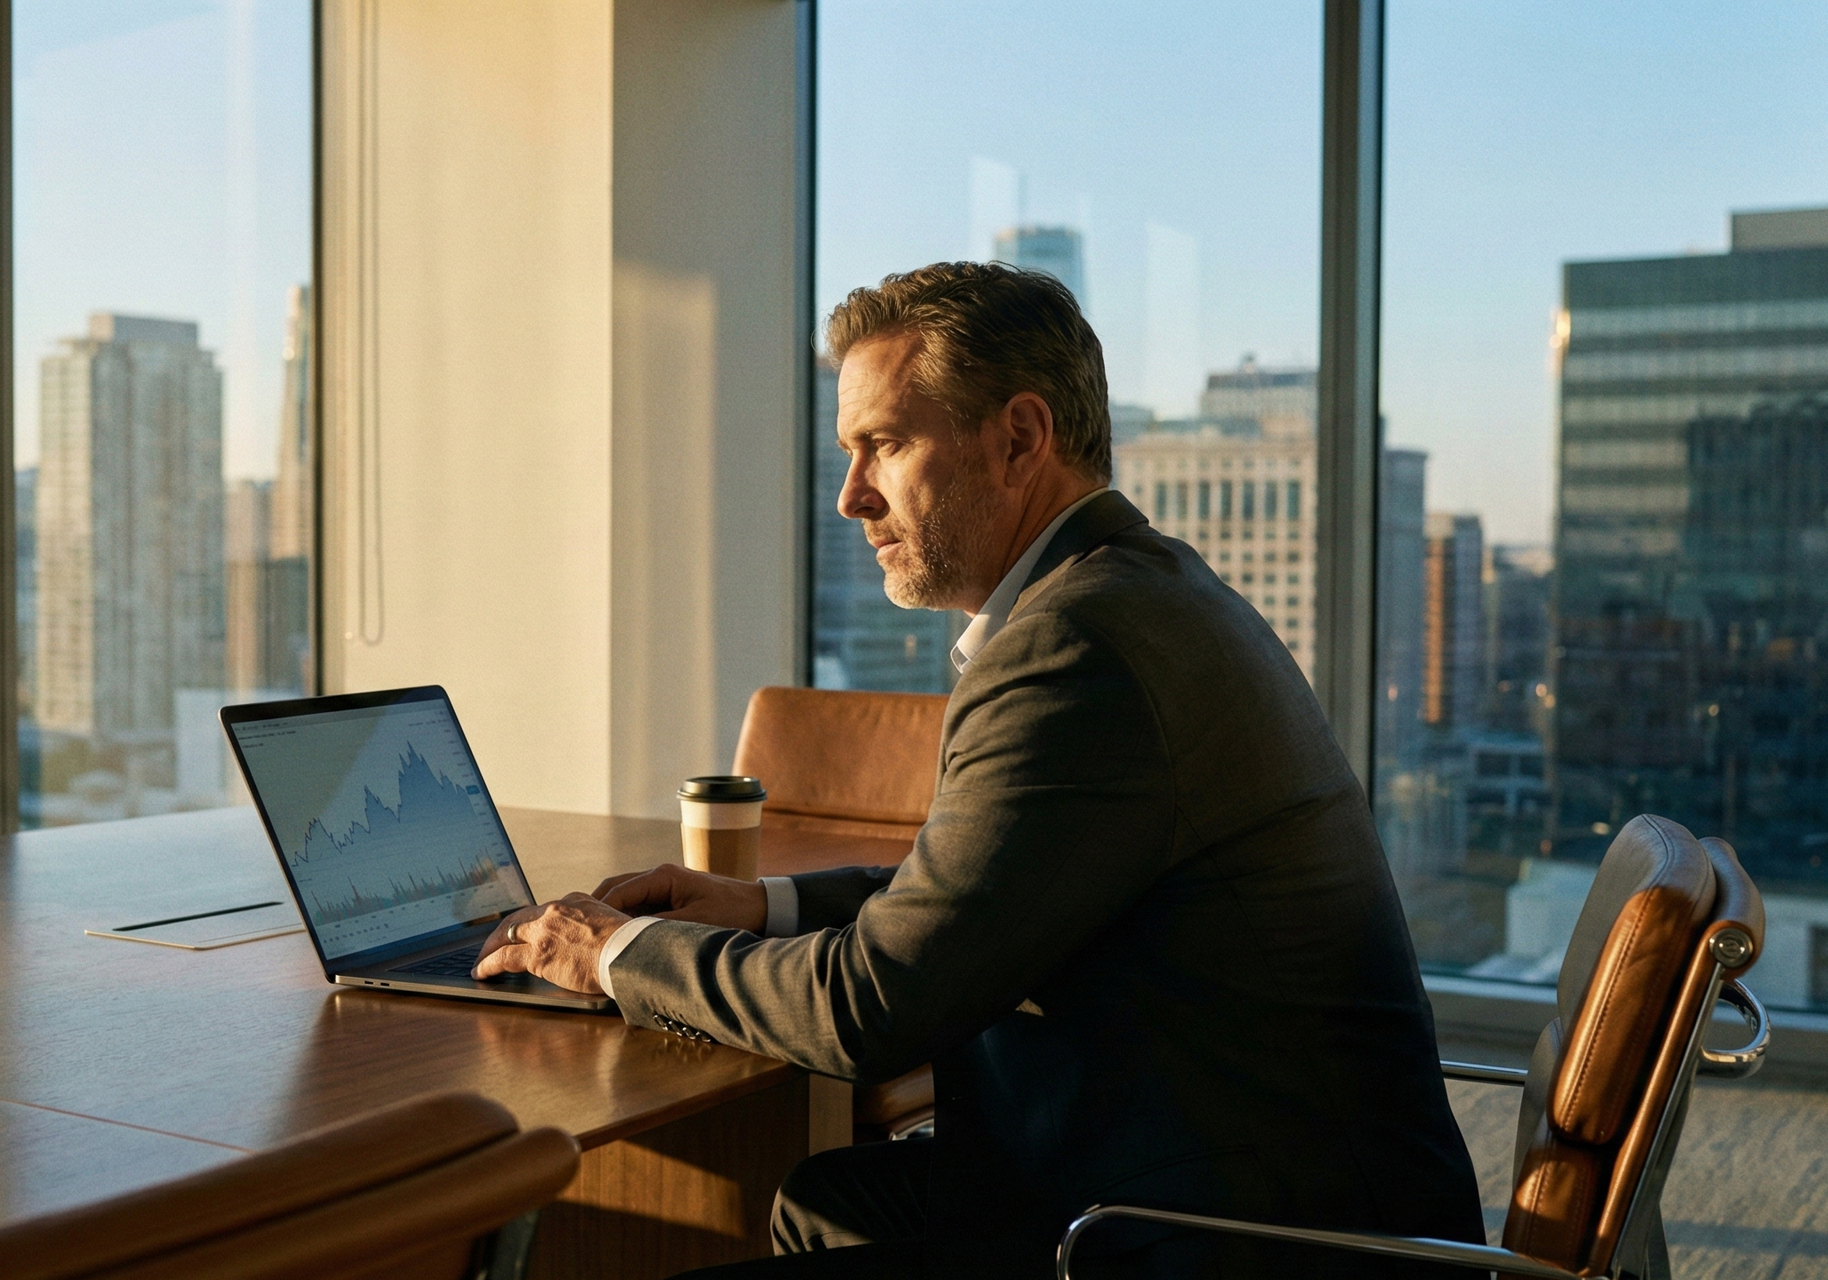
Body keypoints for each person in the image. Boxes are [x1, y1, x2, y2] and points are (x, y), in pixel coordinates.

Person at [473, 262, 1483, 1277]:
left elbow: (870, 1007)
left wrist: (612, 951)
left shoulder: (1074, 647)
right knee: (831, 1199)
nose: (849, 494)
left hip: (1238, 1236)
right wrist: (758, 904)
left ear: (1018, 439)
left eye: (886, 444)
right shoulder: (1140, 588)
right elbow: (985, 898)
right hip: (1239, 1179)